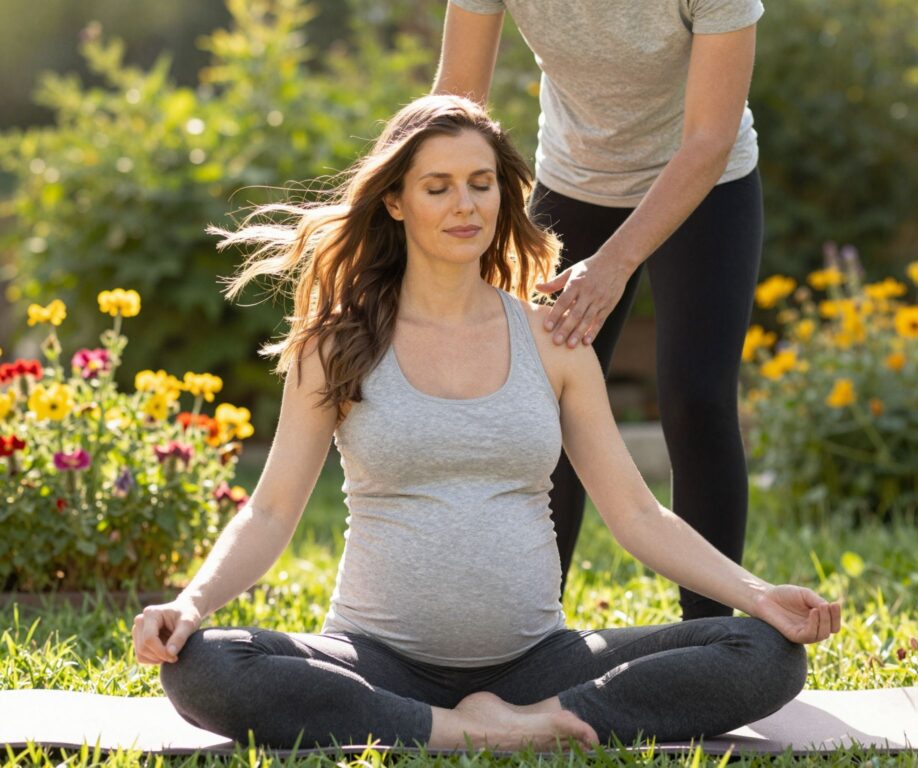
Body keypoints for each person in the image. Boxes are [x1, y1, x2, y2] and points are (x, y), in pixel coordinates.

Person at [134, 95, 840, 753]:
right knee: (205, 667)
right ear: (396, 202)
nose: (464, 204)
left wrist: (756, 595)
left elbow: (635, 513)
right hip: (376, 661)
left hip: (541, 663)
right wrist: (192, 603)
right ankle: (468, 732)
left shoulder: (553, 340)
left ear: (504, 194)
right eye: (437, 187)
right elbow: (271, 511)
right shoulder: (337, 343)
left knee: (765, 652)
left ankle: (530, 720)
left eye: (481, 182)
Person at [432, 0, 767, 619]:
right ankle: (527, 630)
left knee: (697, 397)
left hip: (706, 184)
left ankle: (712, 639)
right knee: (544, 402)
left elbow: (710, 137)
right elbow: (454, 109)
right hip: (574, 182)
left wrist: (613, 264)